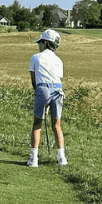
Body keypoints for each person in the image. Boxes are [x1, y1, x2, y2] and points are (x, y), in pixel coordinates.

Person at [27, 28, 67, 167]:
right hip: (58, 90)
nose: (39, 45)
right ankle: (62, 159)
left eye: (40, 42)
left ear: (45, 42)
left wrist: (42, 100)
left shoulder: (35, 57)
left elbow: (34, 82)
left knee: (37, 124)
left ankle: (33, 159)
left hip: (42, 88)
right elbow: (58, 78)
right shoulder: (59, 60)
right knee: (56, 125)